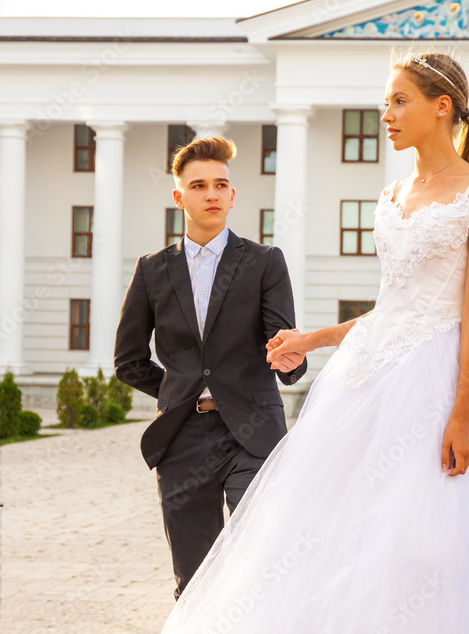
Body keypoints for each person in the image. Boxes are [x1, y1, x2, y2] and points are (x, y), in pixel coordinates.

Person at [160, 52, 469, 632]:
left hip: (439, 387)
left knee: (428, 544)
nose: (387, 115)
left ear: (441, 106)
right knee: (337, 536)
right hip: (368, 382)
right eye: (386, 103)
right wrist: (312, 339)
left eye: (400, 101)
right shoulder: (392, 195)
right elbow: (392, 309)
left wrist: (461, 414)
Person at [113, 136, 308, 601]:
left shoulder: (264, 263)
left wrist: (289, 359)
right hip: (181, 441)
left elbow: (284, 344)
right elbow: (129, 360)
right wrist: (183, 391)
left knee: (260, 563)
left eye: (221, 184)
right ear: (179, 197)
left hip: (254, 433)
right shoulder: (151, 270)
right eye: (199, 185)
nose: (212, 194)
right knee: (195, 579)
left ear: (233, 195)